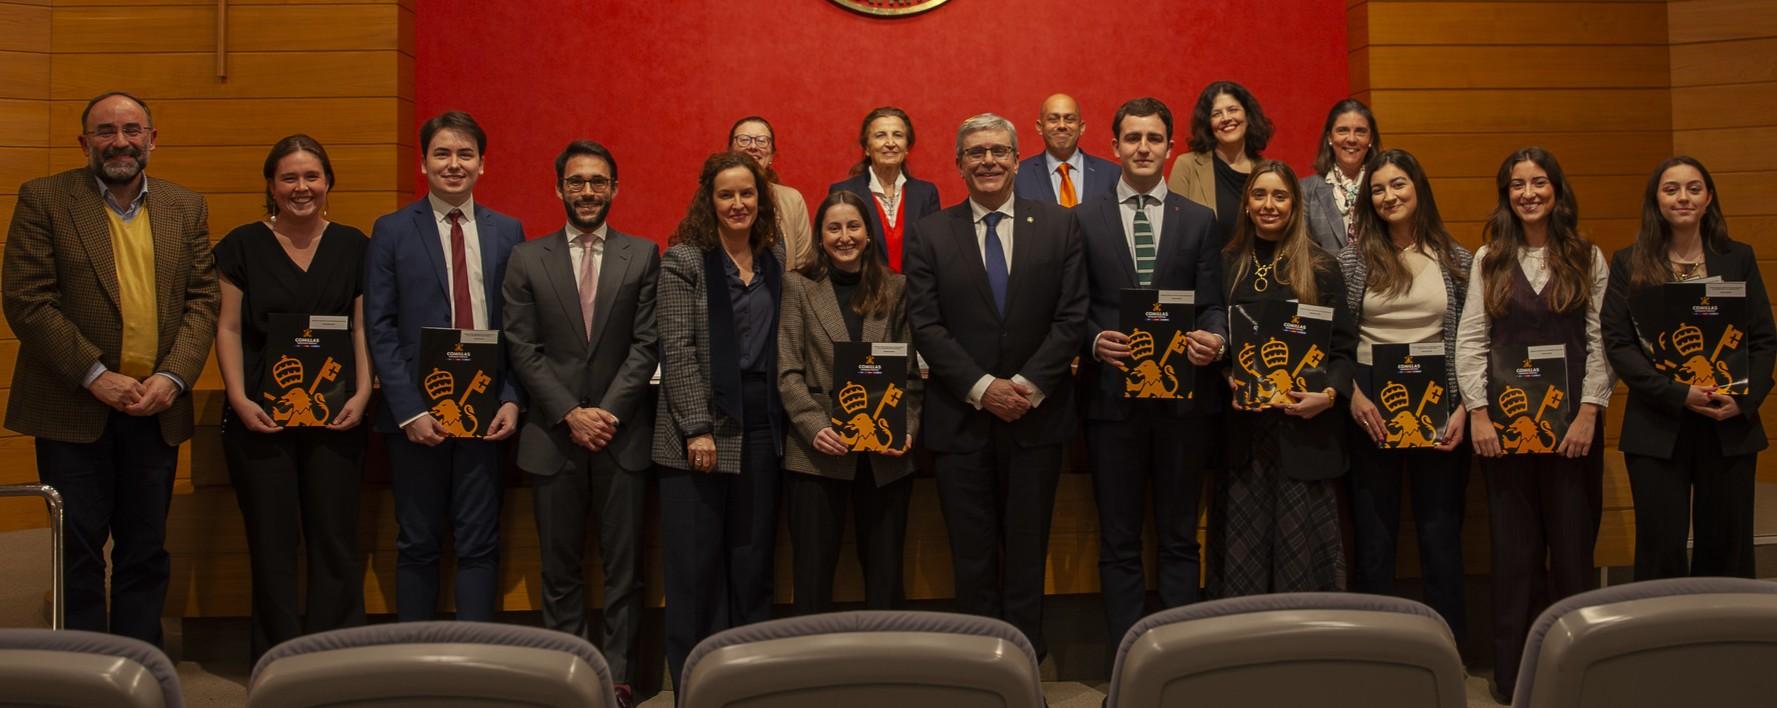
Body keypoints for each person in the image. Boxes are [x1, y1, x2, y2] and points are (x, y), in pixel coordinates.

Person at [2, 91, 218, 646]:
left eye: (130, 129)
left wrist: (172, 378)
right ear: (84, 143)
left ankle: (139, 666)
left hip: (156, 408)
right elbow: (28, 300)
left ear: (151, 139)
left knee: (145, 547)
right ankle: (80, 670)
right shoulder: (45, 199)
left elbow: (202, 302)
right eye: (105, 131)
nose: (119, 141)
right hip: (72, 407)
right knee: (77, 549)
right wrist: (98, 376)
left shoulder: (185, 206)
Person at [903, 113, 1087, 657]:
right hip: (962, 422)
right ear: (959, 164)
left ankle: (1026, 672)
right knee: (972, 558)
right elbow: (926, 324)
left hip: (1038, 419)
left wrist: (1026, 386)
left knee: (1028, 555)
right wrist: (983, 387)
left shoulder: (1059, 224)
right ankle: (981, 671)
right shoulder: (931, 232)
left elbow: (1071, 316)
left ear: (1016, 159)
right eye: (976, 152)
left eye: (999, 151)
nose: (988, 160)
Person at [502, 140, 658, 708]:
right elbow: (522, 346)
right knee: (560, 572)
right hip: (553, 436)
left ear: (614, 188)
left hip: (622, 437)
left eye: (598, 182)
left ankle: (617, 680)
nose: (587, 191)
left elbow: (646, 344)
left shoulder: (642, 255)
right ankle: (567, 681)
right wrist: (571, 413)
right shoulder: (526, 258)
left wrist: (607, 413)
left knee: (625, 573)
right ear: (559, 188)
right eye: (576, 182)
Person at [1454, 147, 1611, 704]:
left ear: (1556, 190)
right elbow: (1471, 340)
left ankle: (1576, 675)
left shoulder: (1587, 257)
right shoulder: (1487, 259)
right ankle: (1514, 676)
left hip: (1574, 434)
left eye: (1538, 182)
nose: (1528, 193)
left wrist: (1590, 411)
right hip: (1505, 436)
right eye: (1517, 184)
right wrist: (1477, 412)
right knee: (1514, 560)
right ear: (1506, 194)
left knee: (1572, 559)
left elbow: (1600, 343)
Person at [213, 135, 370, 662]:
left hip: (338, 416)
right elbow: (229, 328)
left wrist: (366, 391)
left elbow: (360, 331)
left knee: (335, 542)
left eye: (312, 177)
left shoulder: (354, 245)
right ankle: (277, 662)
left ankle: (336, 658)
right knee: (272, 546)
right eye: (289, 178)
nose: (301, 188)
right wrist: (237, 397)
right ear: (271, 186)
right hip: (261, 417)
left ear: (328, 183)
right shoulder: (239, 246)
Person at [364, 110, 525, 622]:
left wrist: (511, 397)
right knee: (416, 540)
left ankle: (475, 658)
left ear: (482, 164)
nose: (453, 164)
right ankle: (417, 661)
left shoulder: (507, 231)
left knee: (480, 540)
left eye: (464, 154)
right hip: (416, 416)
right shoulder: (390, 231)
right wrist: (408, 410)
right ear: (423, 162)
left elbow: (521, 327)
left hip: (485, 411)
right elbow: (379, 325)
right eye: (442, 154)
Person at [1077, 97, 1223, 656]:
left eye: (1154, 138)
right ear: (1114, 146)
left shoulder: (1198, 219)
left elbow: (1211, 303)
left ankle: (1179, 666)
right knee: (1117, 541)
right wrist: (1093, 339)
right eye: (1132, 138)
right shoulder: (1083, 218)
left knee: (1182, 539)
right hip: (1111, 404)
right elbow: (1074, 306)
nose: (1143, 148)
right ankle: (1127, 666)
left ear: (1169, 147)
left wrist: (1215, 337)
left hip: (1183, 405)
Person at [1602, 156, 1775, 581]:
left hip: (1728, 423)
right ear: (1656, 199)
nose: (1683, 197)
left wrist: (1744, 400)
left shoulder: (1738, 259)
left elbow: (1763, 338)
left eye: (1694, 188)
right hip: (1658, 426)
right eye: (1672, 188)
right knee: (1661, 549)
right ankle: (1661, 642)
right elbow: (1619, 344)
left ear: (1709, 197)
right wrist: (1679, 393)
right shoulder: (1629, 262)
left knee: (1727, 549)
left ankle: (1726, 641)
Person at [653, 151, 786, 685]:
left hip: (761, 426)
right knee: (696, 571)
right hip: (699, 431)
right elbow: (677, 349)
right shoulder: (685, 260)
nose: (738, 204)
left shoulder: (772, 261)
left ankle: (747, 683)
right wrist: (697, 427)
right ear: (709, 201)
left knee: (753, 564)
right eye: (726, 194)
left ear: (761, 199)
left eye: (747, 193)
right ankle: (695, 687)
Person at [1336, 149, 1471, 641]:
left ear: (1418, 189)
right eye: (1378, 189)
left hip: (1442, 406)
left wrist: (1465, 408)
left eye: (1399, 186)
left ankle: (1447, 647)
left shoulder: (1458, 259)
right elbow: (1337, 341)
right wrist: (1351, 395)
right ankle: (1376, 649)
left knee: (1440, 534)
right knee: (1374, 539)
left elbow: (1471, 340)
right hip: (1369, 406)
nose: (1389, 196)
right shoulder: (1350, 262)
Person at [1210, 160, 1354, 598]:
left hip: (1305, 435)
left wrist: (1327, 395)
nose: (1269, 205)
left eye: (1280, 196)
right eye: (1259, 195)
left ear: (1295, 205)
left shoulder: (1322, 267)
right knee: (1244, 556)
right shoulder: (1226, 265)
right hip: (1245, 438)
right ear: (1247, 204)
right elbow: (1220, 344)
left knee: (1302, 560)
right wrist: (1227, 378)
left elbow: (1344, 351)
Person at [778, 190, 921, 614]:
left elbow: (910, 373)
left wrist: (907, 429)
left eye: (853, 226)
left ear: (868, 233)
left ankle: (886, 669)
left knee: (886, 573)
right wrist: (814, 427)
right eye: (834, 227)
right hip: (817, 453)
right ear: (820, 236)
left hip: (885, 453)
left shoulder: (896, 288)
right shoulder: (798, 286)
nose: (845, 236)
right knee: (812, 574)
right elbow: (787, 370)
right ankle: (813, 669)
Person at [828, 107, 941, 272]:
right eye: (880, 135)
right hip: (863, 292)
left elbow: (932, 253)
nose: (890, 143)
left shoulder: (926, 194)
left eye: (898, 135)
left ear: (907, 147)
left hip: (915, 293)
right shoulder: (844, 192)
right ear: (866, 148)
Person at [1167, 81, 1275, 241]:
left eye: (1232, 110)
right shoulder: (1187, 165)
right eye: (1216, 114)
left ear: (1248, 115)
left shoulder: (1267, 170)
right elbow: (1172, 228)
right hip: (1205, 265)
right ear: (1208, 124)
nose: (1226, 118)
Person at [731, 116, 815, 269]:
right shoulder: (714, 196)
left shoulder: (792, 200)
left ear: (771, 155)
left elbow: (804, 266)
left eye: (762, 140)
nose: (753, 146)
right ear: (730, 151)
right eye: (744, 140)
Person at [1014, 93, 1120, 207]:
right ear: (1040, 127)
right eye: (1053, 119)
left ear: (1081, 127)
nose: (1062, 125)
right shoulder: (1018, 176)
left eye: (1069, 119)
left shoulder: (1112, 174)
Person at [1302, 99, 1380, 253]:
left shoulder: (1382, 188)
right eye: (1342, 130)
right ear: (1330, 138)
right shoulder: (1305, 190)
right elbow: (1301, 251)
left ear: (1370, 139)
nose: (1351, 139)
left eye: (1360, 131)